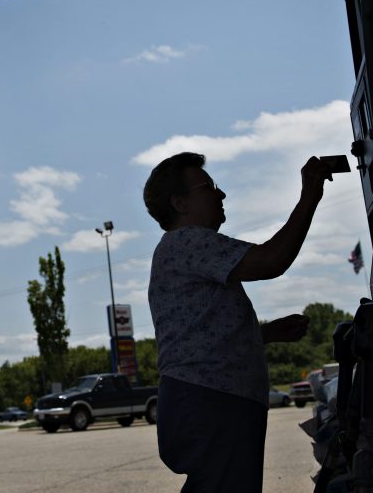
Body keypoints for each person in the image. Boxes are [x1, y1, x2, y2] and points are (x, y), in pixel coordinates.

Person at [143, 151, 332, 492]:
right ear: (180, 203)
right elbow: (271, 260)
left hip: (206, 400)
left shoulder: (181, 249)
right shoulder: (188, 242)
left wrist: (264, 334)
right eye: (208, 186)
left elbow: (202, 335)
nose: (221, 193)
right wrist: (309, 197)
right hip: (211, 401)